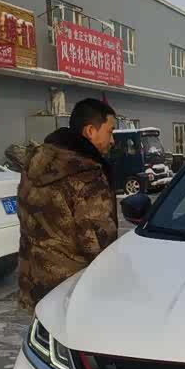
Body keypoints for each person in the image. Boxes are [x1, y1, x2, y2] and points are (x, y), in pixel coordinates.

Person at [17, 98, 118, 313]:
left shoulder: (35, 161)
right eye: (110, 132)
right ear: (90, 131)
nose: (113, 140)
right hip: (69, 291)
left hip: (33, 281)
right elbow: (97, 243)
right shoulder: (87, 176)